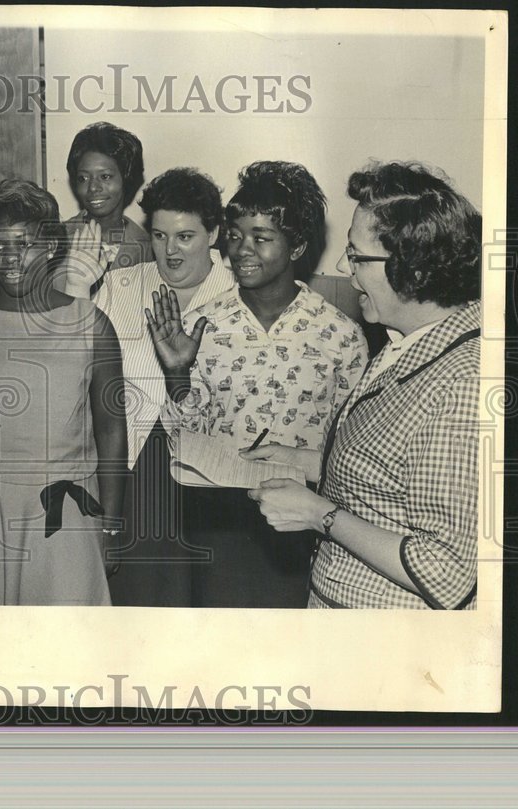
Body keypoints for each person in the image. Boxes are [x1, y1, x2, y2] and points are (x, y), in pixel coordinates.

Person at [244, 161, 481, 609]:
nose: (341, 266)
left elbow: (448, 573)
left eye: (355, 255)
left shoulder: (462, 384)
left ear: (412, 267)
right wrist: (307, 462)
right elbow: (395, 478)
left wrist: (319, 515)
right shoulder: (406, 341)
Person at [147, 161, 367, 607]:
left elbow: (350, 449)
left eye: (261, 239)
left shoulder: (340, 335)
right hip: (219, 525)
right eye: (234, 235)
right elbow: (185, 435)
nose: (241, 250)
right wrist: (177, 377)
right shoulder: (202, 324)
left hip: (304, 530)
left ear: (298, 245)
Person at [0, 179, 127, 605]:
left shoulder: (92, 324)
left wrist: (112, 524)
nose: (11, 258)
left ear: (54, 245)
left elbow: (111, 432)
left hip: (66, 511)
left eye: (27, 244)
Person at [75, 167, 236, 607]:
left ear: (214, 233)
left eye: (185, 237)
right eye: (160, 236)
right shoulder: (121, 285)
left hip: (209, 481)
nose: (171, 251)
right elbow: (81, 376)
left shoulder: (239, 297)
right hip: (130, 468)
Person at [57, 122, 152, 296]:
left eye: (105, 176)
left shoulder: (148, 248)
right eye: (83, 178)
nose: (93, 187)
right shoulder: (57, 239)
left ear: (126, 178)